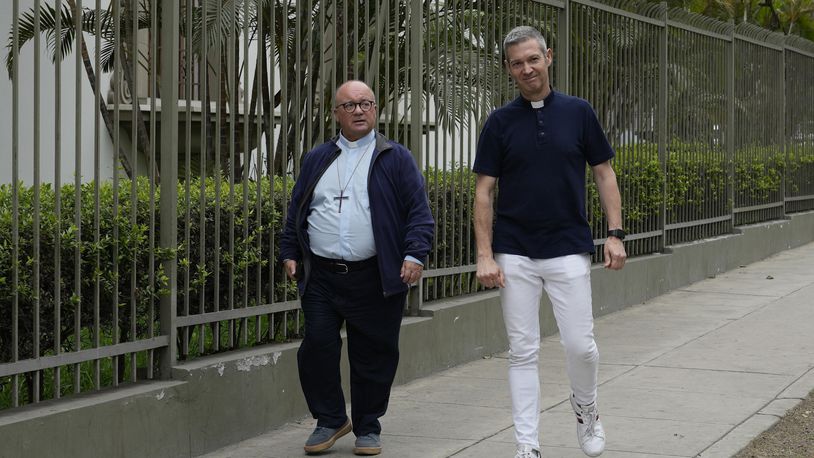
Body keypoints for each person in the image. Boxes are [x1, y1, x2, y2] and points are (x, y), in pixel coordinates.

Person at [473, 26, 627, 458]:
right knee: (522, 351)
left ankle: (587, 411)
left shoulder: (579, 112)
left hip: (568, 248)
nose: (527, 69)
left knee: (581, 345)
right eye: (517, 63)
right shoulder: (499, 122)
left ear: (549, 57)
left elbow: (604, 173)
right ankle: (527, 445)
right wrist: (485, 255)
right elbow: (484, 190)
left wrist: (614, 234)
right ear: (509, 69)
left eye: (533, 59)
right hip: (515, 251)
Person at [279, 80, 434, 456]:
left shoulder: (395, 157)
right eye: (349, 105)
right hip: (321, 276)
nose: (359, 110)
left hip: (373, 275)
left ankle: (368, 425)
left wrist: (414, 255)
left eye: (366, 103)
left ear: (376, 109)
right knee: (316, 346)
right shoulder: (317, 158)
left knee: (373, 354)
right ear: (336, 114)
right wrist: (289, 250)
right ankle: (331, 419)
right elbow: (297, 208)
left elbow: (419, 214)